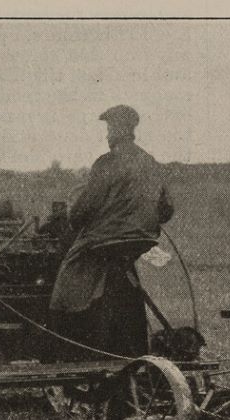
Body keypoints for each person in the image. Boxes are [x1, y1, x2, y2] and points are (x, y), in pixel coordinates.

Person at [49, 104, 174, 360]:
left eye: (109, 129)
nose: (107, 136)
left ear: (118, 130)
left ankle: (63, 339)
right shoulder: (152, 163)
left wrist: (74, 220)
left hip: (105, 240)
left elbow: (86, 207)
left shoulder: (107, 162)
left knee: (66, 273)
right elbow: (167, 208)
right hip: (142, 239)